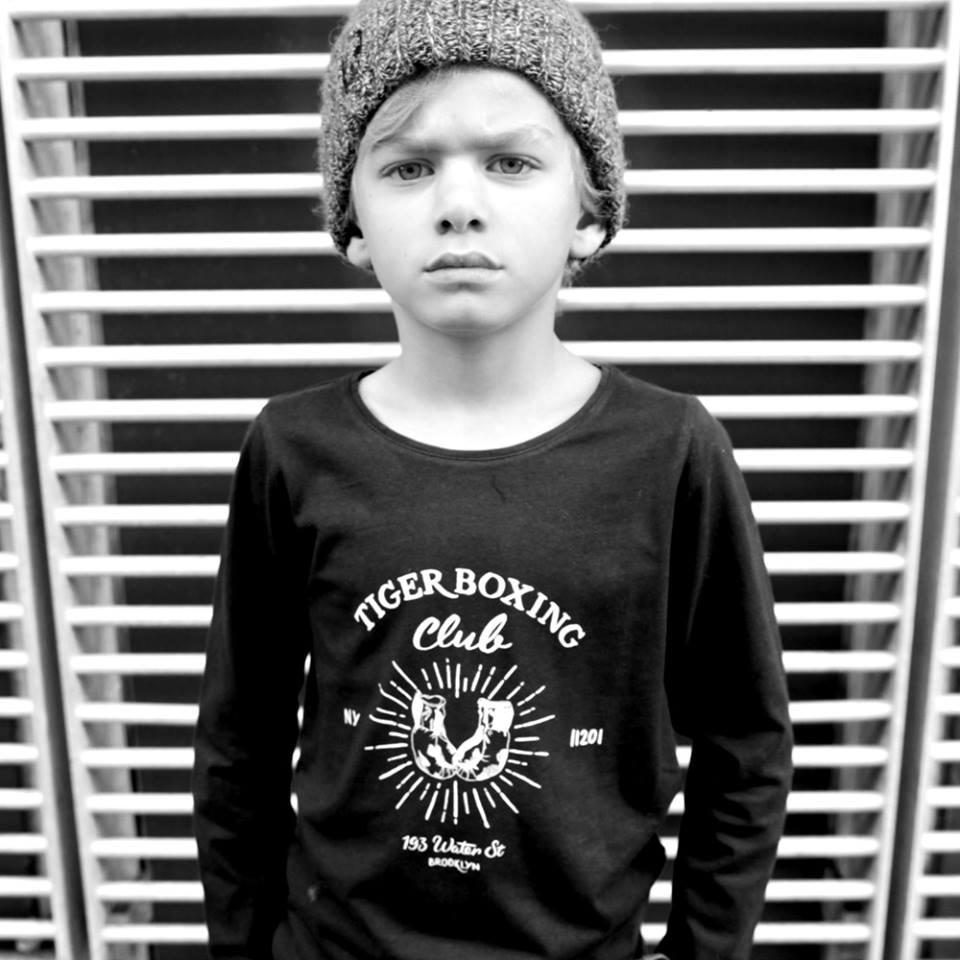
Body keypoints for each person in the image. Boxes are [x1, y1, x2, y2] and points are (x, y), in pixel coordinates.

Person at [191, 1, 794, 958]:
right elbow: (240, 741)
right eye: (408, 167)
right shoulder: (293, 449)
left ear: (588, 214)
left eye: (511, 162)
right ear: (353, 224)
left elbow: (747, 743)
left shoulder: (671, 451)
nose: (458, 203)